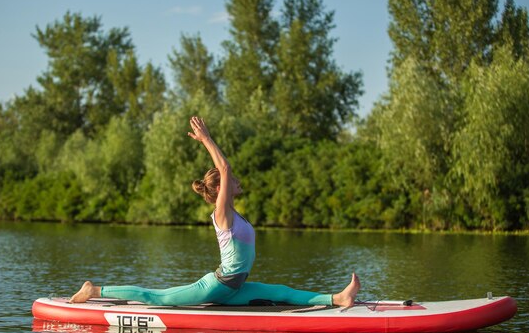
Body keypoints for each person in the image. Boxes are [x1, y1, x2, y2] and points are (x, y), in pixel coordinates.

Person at [70, 116, 360, 307]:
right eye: (232, 181)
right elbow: (224, 167)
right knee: (155, 297)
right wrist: (207, 139)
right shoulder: (223, 215)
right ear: (223, 188)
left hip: (235, 287)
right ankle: (94, 291)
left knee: (281, 292)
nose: (237, 181)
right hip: (217, 286)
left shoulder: (236, 215)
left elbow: (226, 171)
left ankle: (339, 298)